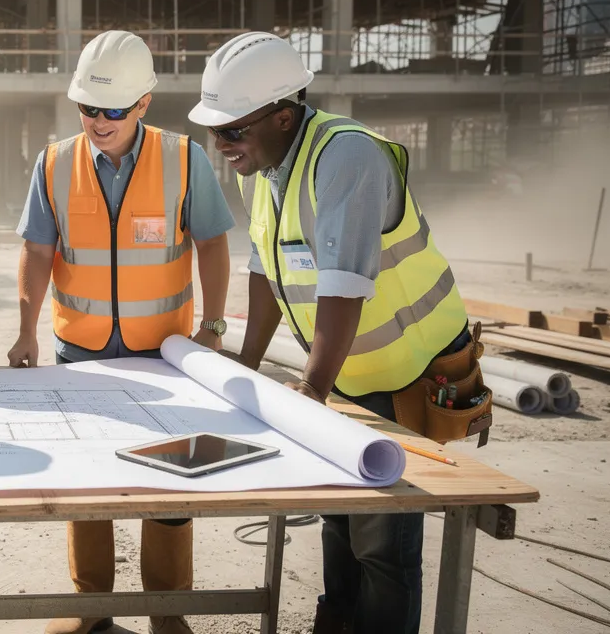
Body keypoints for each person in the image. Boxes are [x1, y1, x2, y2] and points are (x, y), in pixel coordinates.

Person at [188, 31, 483, 634]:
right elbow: (266, 270)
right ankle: (336, 622)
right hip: (347, 370)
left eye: (232, 131)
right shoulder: (261, 168)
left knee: (382, 542)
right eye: (214, 132)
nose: (221, 146)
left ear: (284, 116)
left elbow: (344, 284)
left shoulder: (346, 157)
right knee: (337, 516)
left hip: (408, 372)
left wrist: (312, 388)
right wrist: (246, 363)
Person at [10, 30, 235, 634]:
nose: (99, 121)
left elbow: (213, 242)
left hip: (167, 353)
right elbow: (37, 248)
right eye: (88, 107)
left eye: (113, 109)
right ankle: (91, 606)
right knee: (88, 476)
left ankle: (167, 612)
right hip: (80, 350)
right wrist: (27, 327)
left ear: (143, 103)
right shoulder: (54, 162)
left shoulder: (184, 157)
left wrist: (213, 326)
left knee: (171, 483)